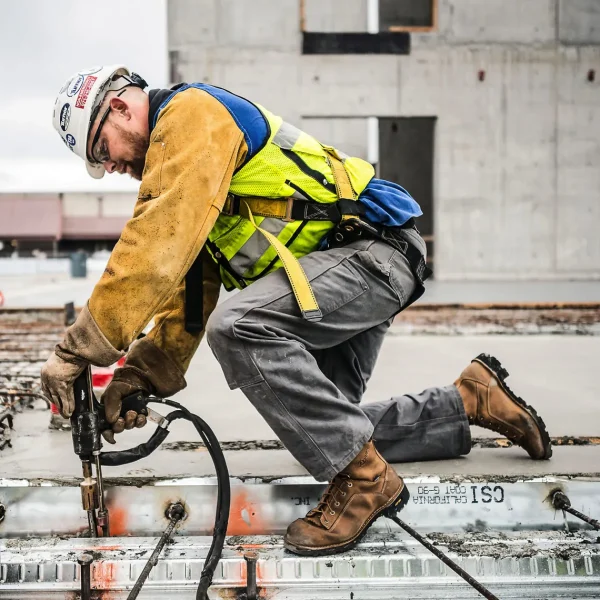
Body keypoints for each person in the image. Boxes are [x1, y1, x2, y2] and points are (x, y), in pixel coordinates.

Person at [42, 65, 552, 557]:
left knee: (240, 329)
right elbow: (187, 298)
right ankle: (466, 401)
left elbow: (153, 249)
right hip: (339, 273)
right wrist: (138, 377)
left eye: (100, 150)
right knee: (325, 429)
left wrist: (75, 351)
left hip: (375, 255)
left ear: (119, 107)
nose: (108, 168)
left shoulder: (189, 117)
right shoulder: (194, 174)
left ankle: (366, 481)